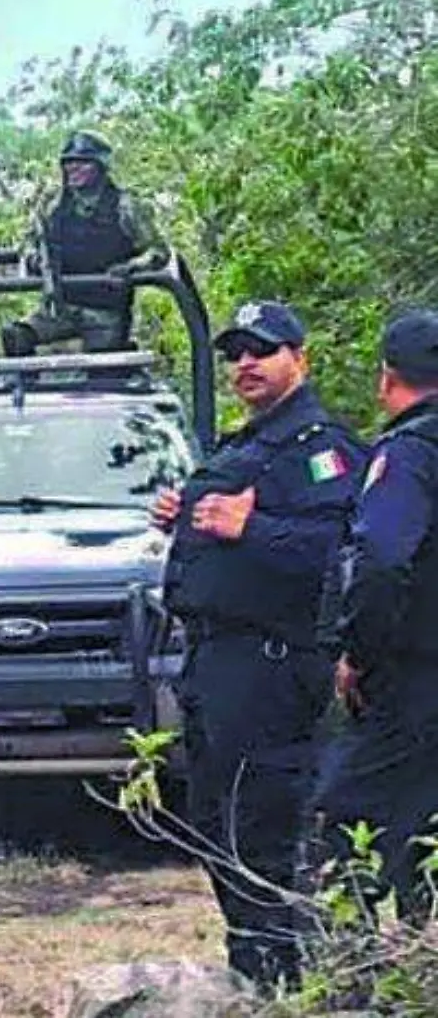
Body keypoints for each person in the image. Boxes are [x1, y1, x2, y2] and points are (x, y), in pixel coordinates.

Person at [150, 300, 365, 989]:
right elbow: (221, 532)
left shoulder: (321, 449)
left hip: (271, 665)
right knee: (216, 824)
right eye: (237, 351)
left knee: (264, 829)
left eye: (263, 350)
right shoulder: (243, 443)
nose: (246, 363)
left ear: (300, 359)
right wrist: (182, 519)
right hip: (215, 662)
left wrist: (253, 527)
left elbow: (348, 550)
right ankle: (254, 972)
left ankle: (293, 979)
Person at [308, 307, 438, 927]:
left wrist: (358, 653)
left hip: (413, 678)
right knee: (424, 829)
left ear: (388, 379)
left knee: (341, 825)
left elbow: (383, 559)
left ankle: (351, 977)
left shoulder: (410, 454)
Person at [1, 130, 170, 357]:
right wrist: (34, 257)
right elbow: (27, 240)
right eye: (69, 162)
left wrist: (132, 267)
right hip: (58, 307)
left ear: (100, 166)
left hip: (105, 312)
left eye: (83, 162)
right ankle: (28, 389)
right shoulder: (52, 204)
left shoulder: (125, 205)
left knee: (102, 371)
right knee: (16, 336)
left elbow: (157, 251)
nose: (73, 168)